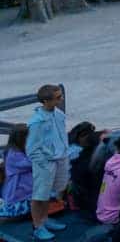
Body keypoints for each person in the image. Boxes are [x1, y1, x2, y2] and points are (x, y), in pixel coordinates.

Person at [26, 84, 69, 242]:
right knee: (39, 196)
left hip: (59, 159)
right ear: (46, 101)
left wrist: (64, 153)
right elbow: (32, 149)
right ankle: (38, 226)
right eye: (58, 97)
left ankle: (45, 219)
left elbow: (61, 135)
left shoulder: (58, 114)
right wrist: (44, 164)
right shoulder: (37, 122)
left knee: (49, 194)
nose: (62, 99)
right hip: (46, 163)